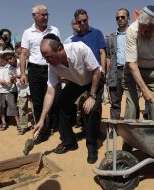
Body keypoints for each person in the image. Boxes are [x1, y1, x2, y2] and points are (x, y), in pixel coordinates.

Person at [33, 34, 104, 164]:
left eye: (49, 57)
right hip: (76, 82)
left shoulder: (80, 48)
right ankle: (69, 142)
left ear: (60, 49)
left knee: (91, 109)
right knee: (59, 105)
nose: (47, 61)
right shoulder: (52, 65)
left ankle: (92, 146)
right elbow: (50, 92)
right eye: (44, 58)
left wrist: (92, 96)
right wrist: (42, 119)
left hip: (94, 79)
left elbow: (96, 72)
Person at [20, 4, 60, 142]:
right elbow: (24, 54)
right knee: (37, 102)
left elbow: (58, 49)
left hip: (51, 68)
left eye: (47, 14)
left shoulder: (54, 30)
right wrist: (23, 73)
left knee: (54, 99)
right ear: (34, 16)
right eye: (43, 15)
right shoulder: (27, 33)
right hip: (35, 70)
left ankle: (54, 126)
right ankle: (42, 132)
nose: (46, 17)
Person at [106, 8, 130, 119]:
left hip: (131, 72)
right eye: (117, 18)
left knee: (132, 102)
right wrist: (107, 73)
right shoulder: (110, 38)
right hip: (115, 72)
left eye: (122, 17)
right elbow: (108, 57)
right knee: (115, 103)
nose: (120, 19)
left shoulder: (135, 35)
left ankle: (130, 131)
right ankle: (114, 130)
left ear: (128, 18)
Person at [0, 50, 21, 133]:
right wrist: (0, 81)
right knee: (1, 107)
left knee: (13, 106)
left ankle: (18, 123)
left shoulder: (10, 67)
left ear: (4, 59)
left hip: (10, 90)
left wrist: (10, 82)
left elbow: (13, 78)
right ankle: (3, 122)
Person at [72, 9, 106, 73]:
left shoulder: (97, 33)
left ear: (88, 18)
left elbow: (102, 52)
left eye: (84, 20)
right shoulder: (74, 39)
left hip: (98, 72)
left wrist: (103, 69)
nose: (82, 23)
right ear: (76, 22)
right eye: (79, 21)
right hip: (83, 74)